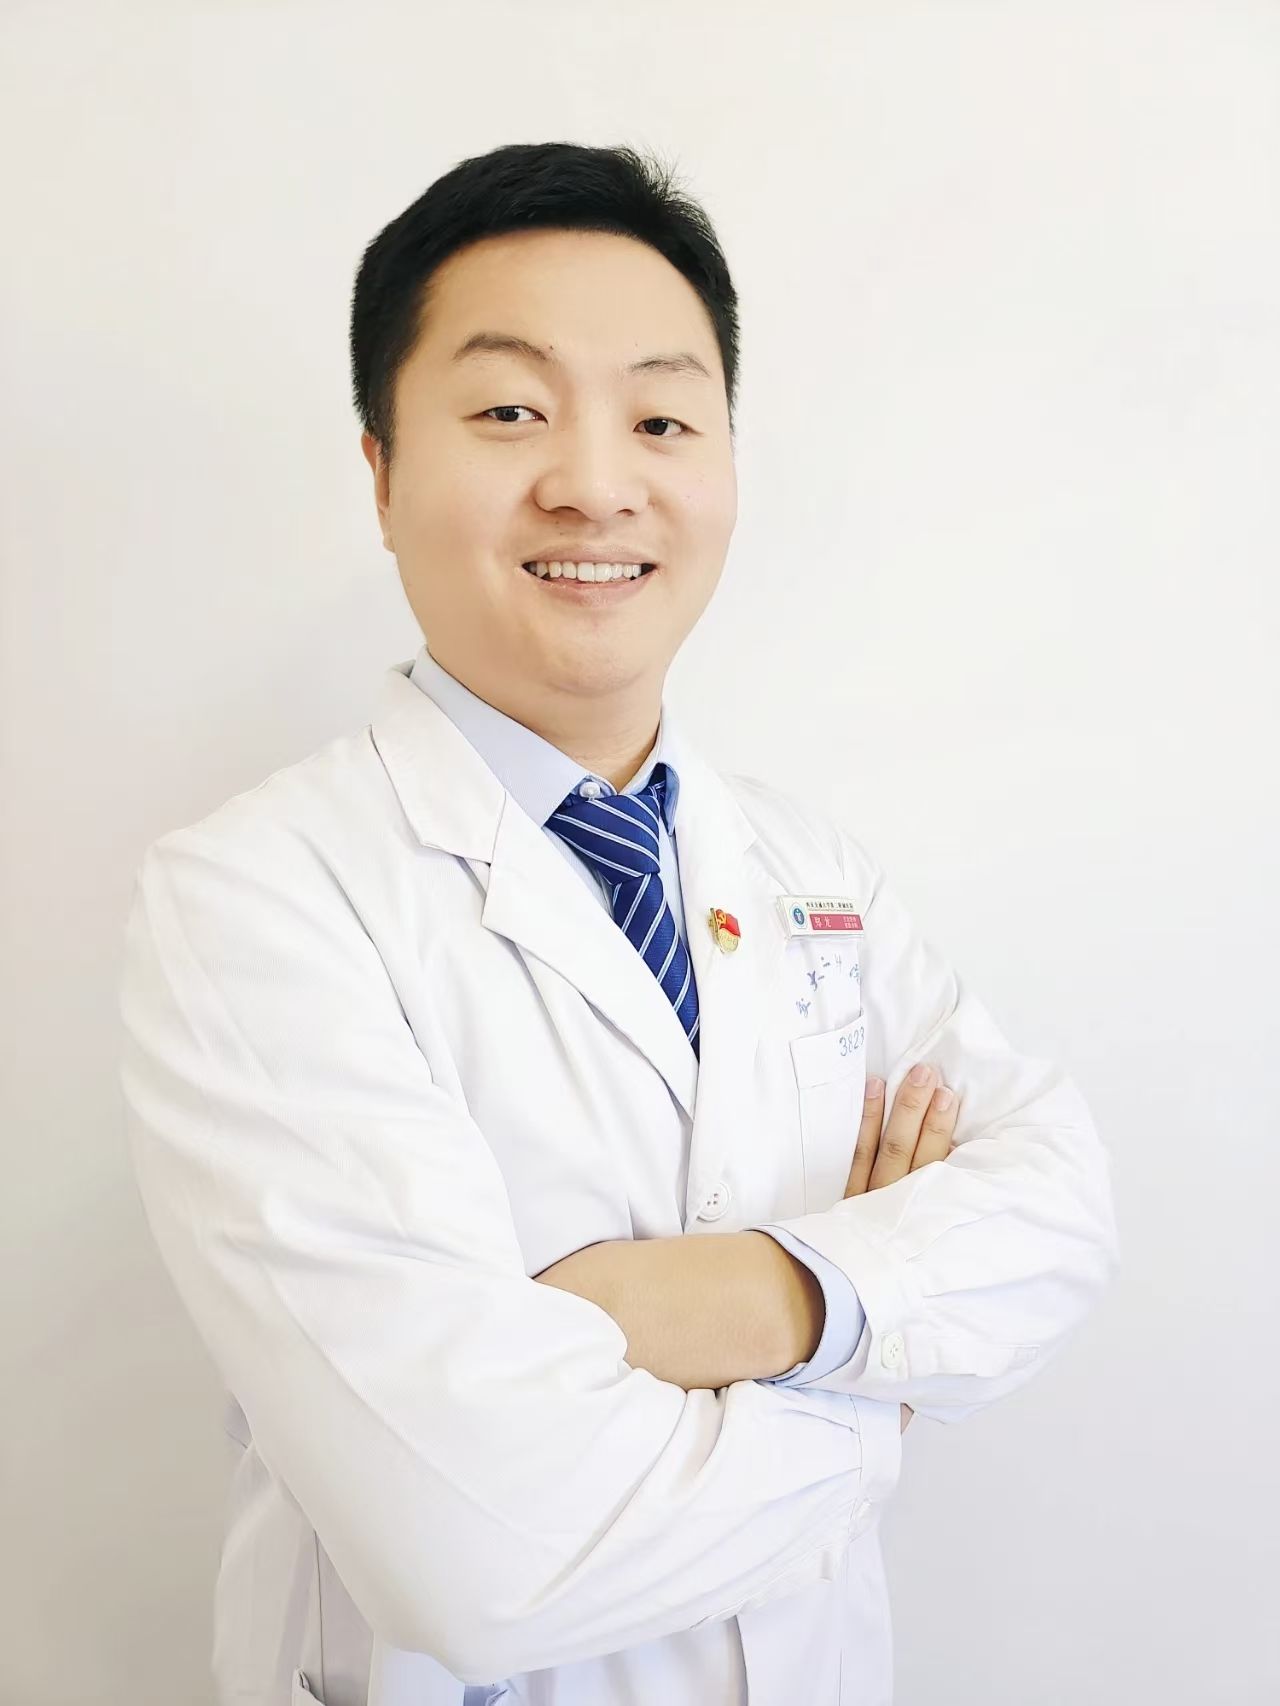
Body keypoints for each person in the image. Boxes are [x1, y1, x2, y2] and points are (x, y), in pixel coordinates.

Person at [116, 140, 1119, 1706]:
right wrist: (887, 1370)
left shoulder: (809, 868)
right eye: (511, 410)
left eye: (661, 417)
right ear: (381, 471)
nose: (596, 481)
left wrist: (758, 1298)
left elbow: (1058, 1206)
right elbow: (481, 1551)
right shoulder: (253, 898)